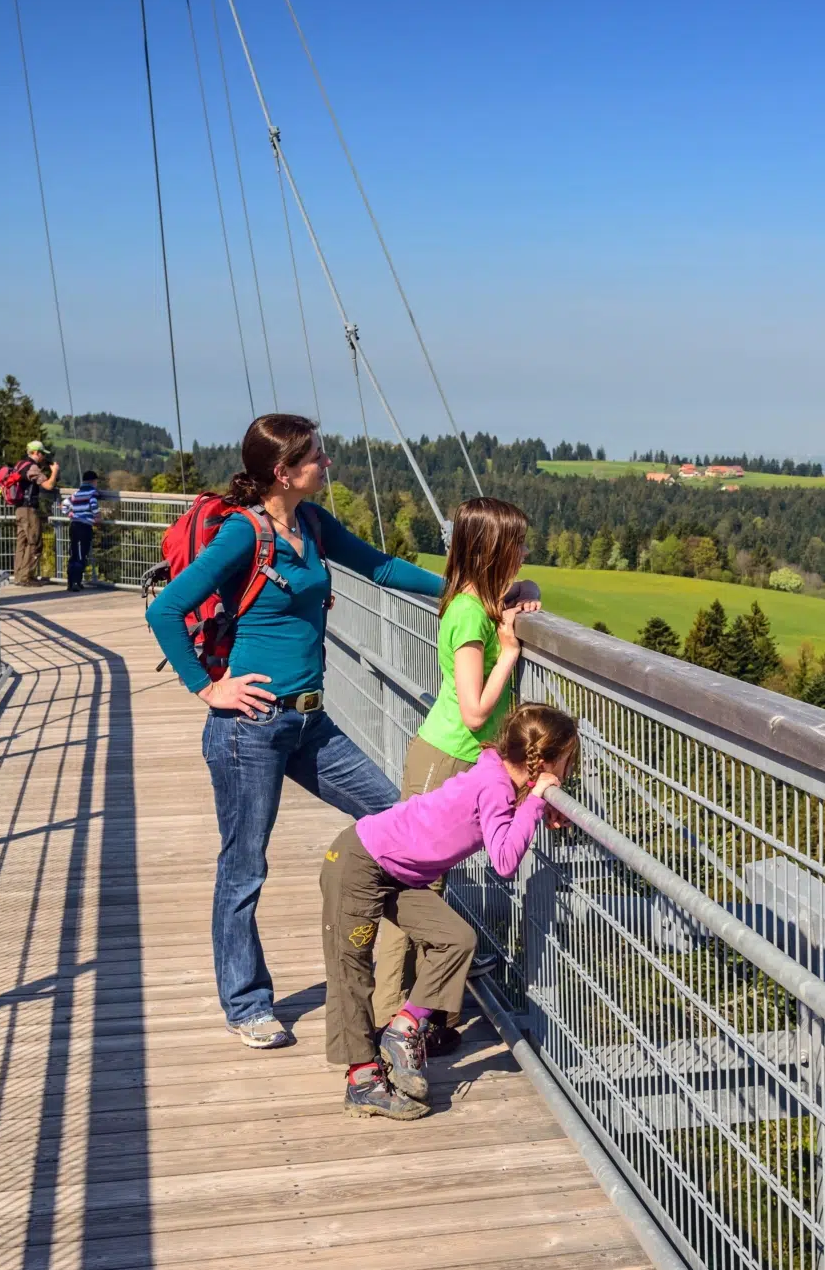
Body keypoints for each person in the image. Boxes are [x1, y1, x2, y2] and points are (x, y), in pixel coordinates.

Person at [145, 413, 444, 1049]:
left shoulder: (308, 524)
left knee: (396, 818)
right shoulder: (240, 534)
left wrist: (471, 593)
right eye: (317, 457)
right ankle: (246, 1001)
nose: (326, 464)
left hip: (311, 723)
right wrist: (209, 687)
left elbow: (382, 569)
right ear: (283, 472)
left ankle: (433, 954)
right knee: (245, 866)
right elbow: (165, 608)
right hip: (248, 729)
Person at [322, 703, 579, 1118]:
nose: (568, 771)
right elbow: (504, 861)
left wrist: (536, 802)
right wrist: (533, 803)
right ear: (547, 761)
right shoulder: (496, 786)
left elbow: (498, 816)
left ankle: (404, 1028)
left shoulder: (495, 773)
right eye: (567, 761)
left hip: (397, 873)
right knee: (351, 969)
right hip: (359, 863)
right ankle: (363, 1080)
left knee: (456, 939)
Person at [372, 497, 537, 1045]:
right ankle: (388, 1011)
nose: (523, 552)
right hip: (445, 757)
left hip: (467, 761)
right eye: (515, 543)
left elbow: (515, 596)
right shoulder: (468, 614)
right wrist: (510, 651)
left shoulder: (482, 604)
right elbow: (472, 710)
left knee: (433, 892)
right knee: (411, 887)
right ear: (492, 549)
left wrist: (526, 594)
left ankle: (432, 1015)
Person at [11, 441, 59, 586]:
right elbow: (49, 485)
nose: (43, 457)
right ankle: (26, 577)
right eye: (42, 454)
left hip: (19, 508)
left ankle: (19, 575)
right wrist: (55, 471)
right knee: (35, 543)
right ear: (36, 453)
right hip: (29, 509)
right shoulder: (32, 468)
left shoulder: (19, 465)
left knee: (22, 543)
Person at [63, 469, 101, 591]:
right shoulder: (92, 493)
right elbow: (94, 505)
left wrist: (70, 513)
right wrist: (97, 517)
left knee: (74, 553)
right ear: (93, 481)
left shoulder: (76, 494)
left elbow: (64, 505)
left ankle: (71, 581)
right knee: (80, 555)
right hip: (84, 527)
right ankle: (75, 582)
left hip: (74, 525)